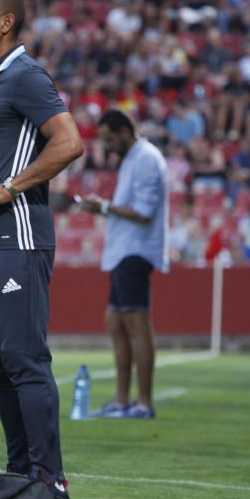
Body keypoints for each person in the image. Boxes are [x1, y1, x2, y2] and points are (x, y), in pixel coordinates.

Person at [0, 0, 83, 499]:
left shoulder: (26, 76)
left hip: (18, 238)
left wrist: (11, 185)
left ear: (5, 23)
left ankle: (48, 476)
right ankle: (20, 472)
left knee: (24, 357)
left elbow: (70, 141)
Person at [79, 110, 168, 419]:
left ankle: (143, 403)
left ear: (127, 130)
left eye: (111, 138)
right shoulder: (132, 159)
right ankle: (121, 400)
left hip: (136, 251)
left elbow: (143, 212)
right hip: (122, 251)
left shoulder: (145, 158)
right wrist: (101, 208)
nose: (109, 146)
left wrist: (104, 206)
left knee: (136, 324)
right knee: (115, 323)